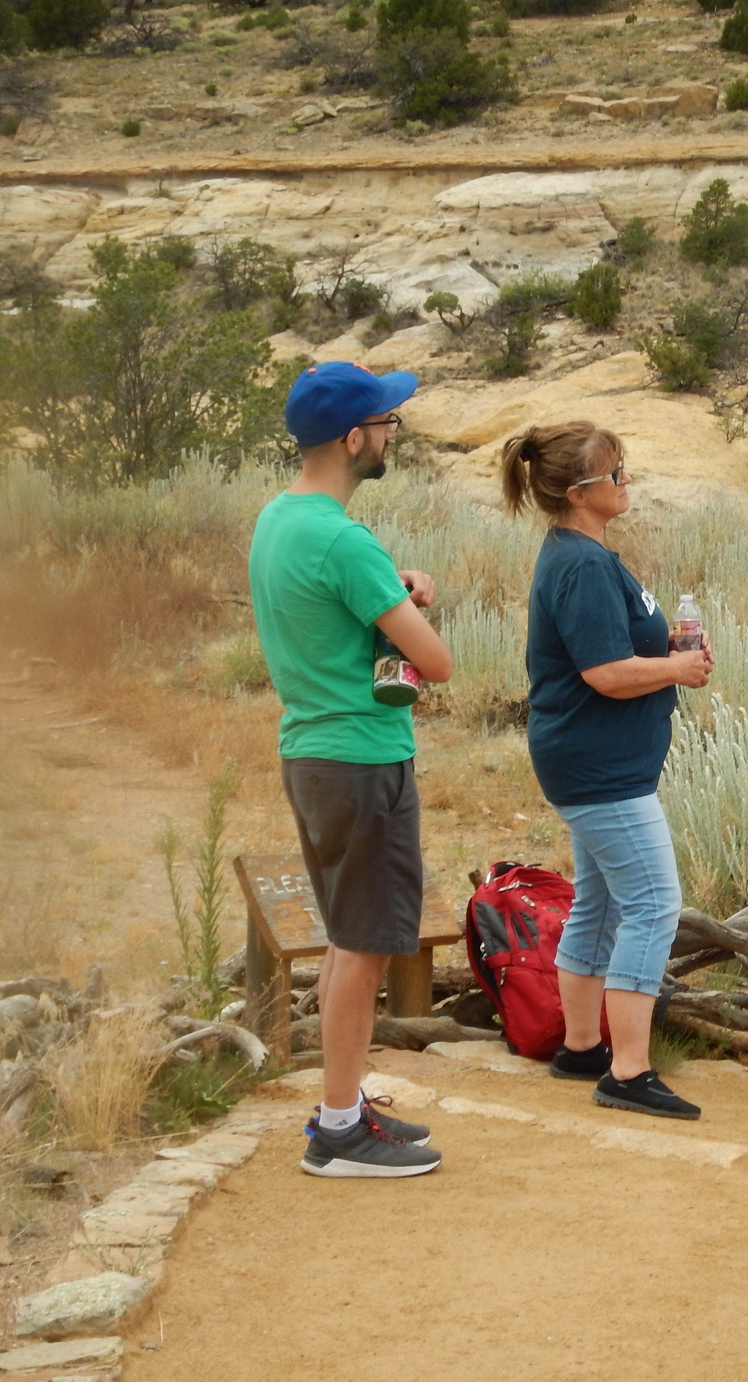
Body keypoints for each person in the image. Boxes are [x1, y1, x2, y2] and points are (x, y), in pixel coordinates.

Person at [250, 362, 453, 1179]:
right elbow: (432, 663)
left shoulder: (279, 520)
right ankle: (338, 1130)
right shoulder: (344, 538)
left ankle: (343, 1099)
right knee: (367, 944)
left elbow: (331, 612)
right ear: (352, 437)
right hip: (364, 759)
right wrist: (412, 600)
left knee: (346, 935)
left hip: (312, 751)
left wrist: (389, 592)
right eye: (386, 422)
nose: (392, 434)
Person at [503, 421, 712, 1122]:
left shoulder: (582, 553)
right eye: (614, 476)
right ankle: (628, 1070)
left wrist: (670, 660)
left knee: (600, 902)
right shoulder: (583, 565)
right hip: (600, 769)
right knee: (653, 904)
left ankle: (583, 1046)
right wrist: (677, 669)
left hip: (592, 761)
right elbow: (606, 673)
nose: (627, 484)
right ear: (576, 492)